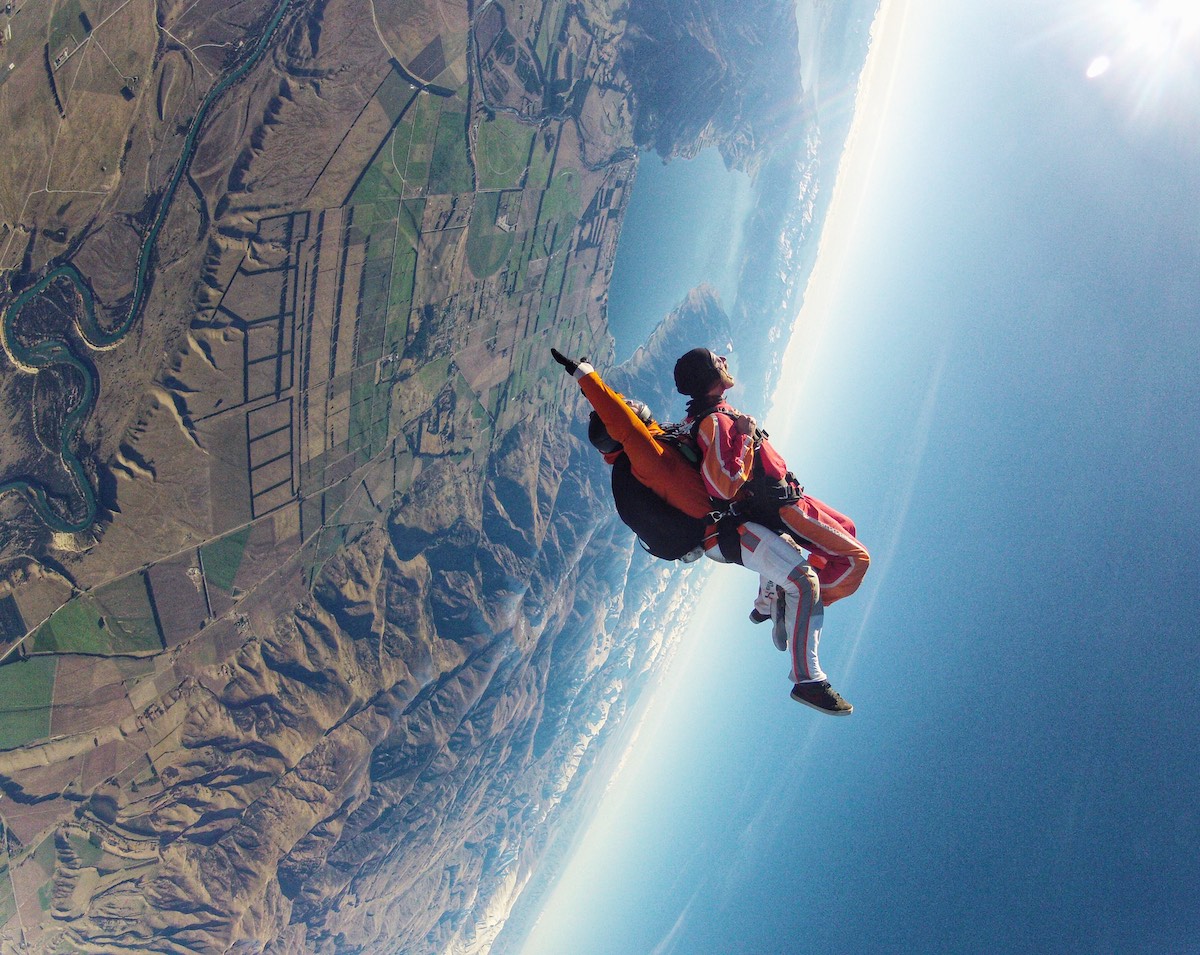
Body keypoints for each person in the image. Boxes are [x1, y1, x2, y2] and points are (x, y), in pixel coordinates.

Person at [552, 347, 851, 715]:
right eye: (627, 406)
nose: (630, 404)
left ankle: (764, 607)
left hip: (723, 532)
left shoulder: (650, 448)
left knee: (786, 543)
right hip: (726, 532)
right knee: (803, 581)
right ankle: (808, 680)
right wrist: (585, 376)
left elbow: (625, 421)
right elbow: (621, 421)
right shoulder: (644, 456)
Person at [674, 346, 871, 711]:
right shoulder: (713, 421)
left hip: (789, 496)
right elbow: (723, 486)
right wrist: (747, 437)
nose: (725, 361)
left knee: (848, 528)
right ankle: (790, 613)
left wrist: (744, 435)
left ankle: (771, 599)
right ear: (708, 376)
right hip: (784, 505)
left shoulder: (712, 414)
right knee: (855, 561)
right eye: (717, 361)